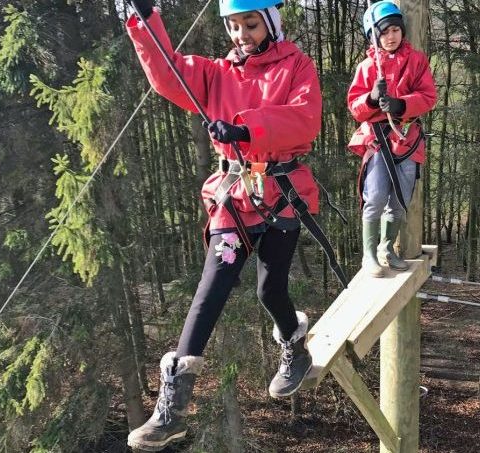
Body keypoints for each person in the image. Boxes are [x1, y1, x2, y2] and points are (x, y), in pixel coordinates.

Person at [125, 0, 323, 450]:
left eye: (250, 24)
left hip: (281, 194)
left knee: (269, 289)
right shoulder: (217, 73)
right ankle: (172, 409)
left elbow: (305, 118)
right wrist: (143, 18)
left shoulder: (297, 66)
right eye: (234, 27)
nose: (241, 35)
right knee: (212, 285)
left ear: (271, 22)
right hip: (234, 197)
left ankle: (294, 344)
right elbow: (167, 71)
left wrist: (246, 128)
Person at [347, 1, 436, 278]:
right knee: (374, 196)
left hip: (407, 138)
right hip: (378, 140)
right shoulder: (367, 67)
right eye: (384, 32)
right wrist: (371, 98)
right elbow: (355, 107)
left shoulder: (417, 61)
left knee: (400, 198)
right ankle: (369, 255)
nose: (391, 36)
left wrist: (400, 104)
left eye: (396, 29)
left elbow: (428, 97)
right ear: (374, 35)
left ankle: (387, 248)